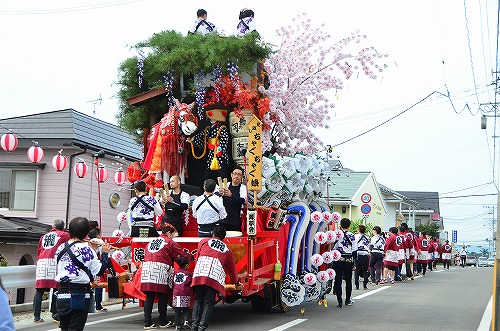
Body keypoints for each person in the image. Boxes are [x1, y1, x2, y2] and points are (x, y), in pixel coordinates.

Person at [54, 217, 111, 331]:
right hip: (79, 294)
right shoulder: (87, 249)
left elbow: (76, 265)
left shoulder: (60, 247)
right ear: (86, 234)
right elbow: (98, 271)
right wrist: (105, 254)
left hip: (62, 294)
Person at [141, 223, 191, 329]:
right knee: (162, 295)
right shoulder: (169, 242)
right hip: (160, 268)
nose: (173, 237)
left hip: (147, 268)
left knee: (149, 296)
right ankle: (163, 322)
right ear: (168, 233)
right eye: (173, 235)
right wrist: (190, 258)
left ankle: (147, 323)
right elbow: (180, 255)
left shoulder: (151, 242)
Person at [191, 225, 239, 331]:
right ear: (224, 238)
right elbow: (231, 269)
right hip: (213, 276)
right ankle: (202, 327)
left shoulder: (203, 242)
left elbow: (198, 257)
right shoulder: (227, 249)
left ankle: (194, 326)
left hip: (200, 272)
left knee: (198, 299)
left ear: (213, 234)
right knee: (208, 302)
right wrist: (236, 281)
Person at [34, 219, 70, 323]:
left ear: (52, 226)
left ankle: (36, 316)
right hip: (54, 262)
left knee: (39, 290)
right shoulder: (64, 235)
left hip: (42, 262)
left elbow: (39, 250)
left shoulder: (43, 236)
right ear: (63, 227)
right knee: (56, 288)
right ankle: (55, 313)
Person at [331, 218, 357, 307]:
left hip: (338, 259)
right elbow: (354, 251)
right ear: (349, 226)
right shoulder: (352, 235)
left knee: (338, 280)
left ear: (340, 225)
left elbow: (332, 247)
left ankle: (339, 302)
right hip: (348, 259)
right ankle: (347, 300)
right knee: (348, 280)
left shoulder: (337, 234)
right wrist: (354, 263)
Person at [217, 165, 247, 232]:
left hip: (235, 221)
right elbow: (215, 198)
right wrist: (219, 194)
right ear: (231, 175)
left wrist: (231, 195)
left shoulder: (243, 188)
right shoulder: (225, 185)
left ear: (242, 177)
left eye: (239, 175)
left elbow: (242, 200)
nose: (236, 176)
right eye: (235, 174)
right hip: (222, 220)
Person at [87, 228, 107, 313]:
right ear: (98, 235)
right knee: (98, 286)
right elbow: (102, 254)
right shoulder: (98, 242)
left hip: (88, 266)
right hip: (96, 266)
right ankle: (98, 305)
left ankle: (92, 306)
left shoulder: (87, 243)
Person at [173, 256, 194, 330]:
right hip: (185, 293)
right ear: (186, 265)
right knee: (186, 309)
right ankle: (186, 322)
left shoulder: (175, 272)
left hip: (176, 293)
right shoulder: (189, 273)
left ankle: (177, 325)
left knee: (177, 311)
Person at [353, 224, 370, 290]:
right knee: (365, 270)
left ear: (359, 230)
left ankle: (357, 285)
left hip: (358, 254)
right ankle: (365, 285)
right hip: (365, 254)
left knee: (357, 270)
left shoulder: (355, 236)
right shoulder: (367, 237)